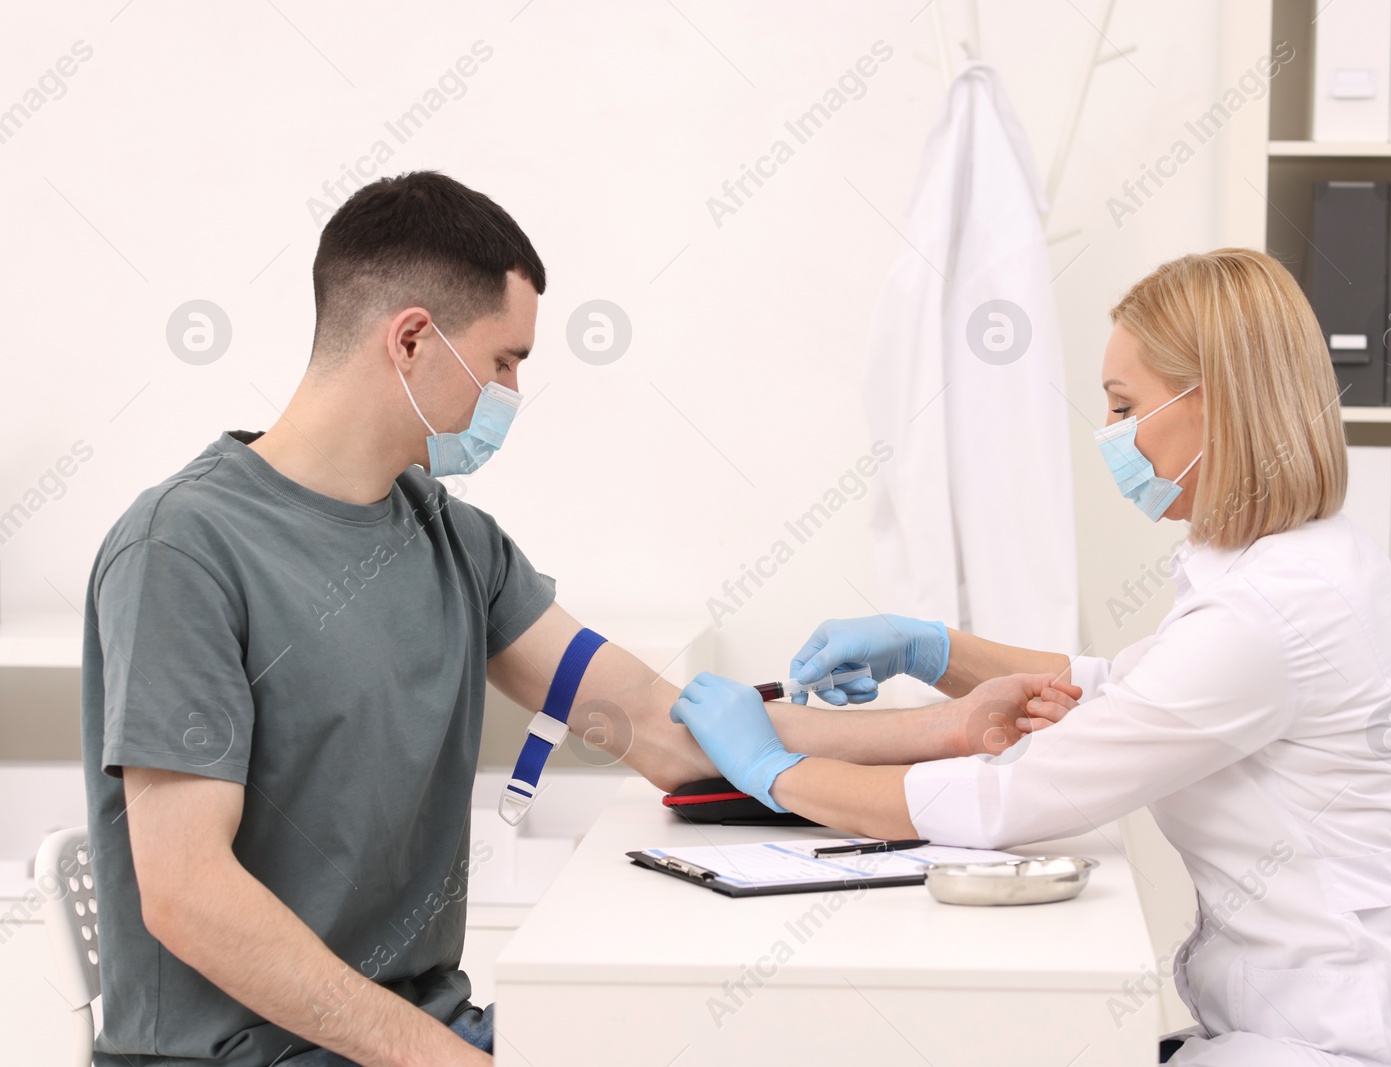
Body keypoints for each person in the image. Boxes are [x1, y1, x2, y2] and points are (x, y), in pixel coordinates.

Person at [81, 171, 1051, 1067]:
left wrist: (949, 726)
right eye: (504, 361)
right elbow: (187, 893)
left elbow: (664, 725)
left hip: (422, 1028)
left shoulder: (452, 541)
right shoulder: (183, 551)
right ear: (411, 338)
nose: (510, 395)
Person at [668, 248, 1391, 1066]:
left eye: (1121, 405)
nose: (1108, 434)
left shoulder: (1271, 611)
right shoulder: (1295, 562)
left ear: (1209, 405)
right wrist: (930, 645)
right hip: (1307, 1013)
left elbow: (1017, 797)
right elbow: (1114, 686)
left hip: (1357, 1035)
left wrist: (772, 768)